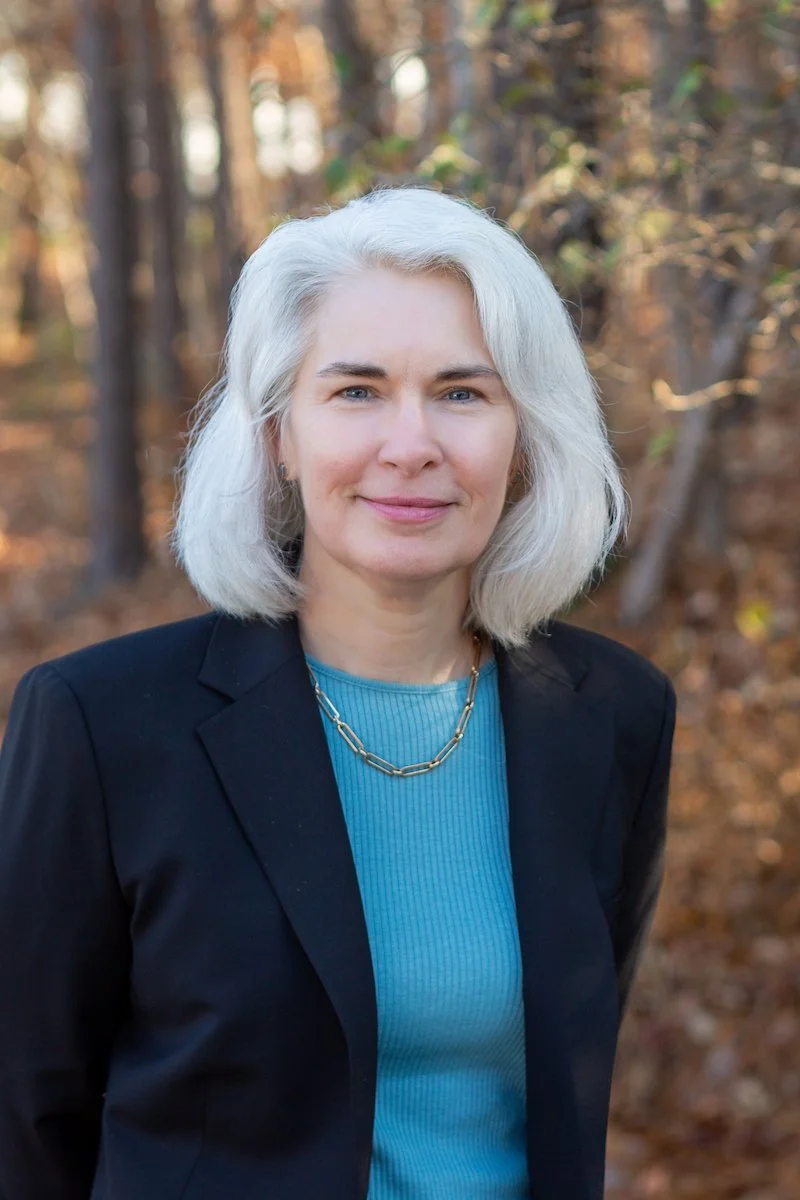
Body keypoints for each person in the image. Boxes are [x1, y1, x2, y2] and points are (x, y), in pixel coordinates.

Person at [0, 185, 677, 1200]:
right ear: (278, 434)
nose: (410, 445)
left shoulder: (610, 713)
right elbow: (23, 1116)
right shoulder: (101, 727)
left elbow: (566, 1079)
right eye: (355, 391)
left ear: (523, 436)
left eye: (462, 392)